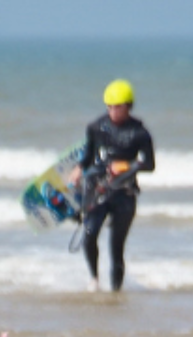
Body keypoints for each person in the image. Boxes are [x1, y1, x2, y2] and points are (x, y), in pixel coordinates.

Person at [76, 79, 155, 292]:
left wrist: (126, 165)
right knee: (89, 235)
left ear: (128, 106)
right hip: (98, 190)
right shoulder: (96, 127)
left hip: (124, 194)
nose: (113, 111)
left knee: (116, 246)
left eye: (118, 107)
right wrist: (79, 170)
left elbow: (149, 164)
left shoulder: (140, 132)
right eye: (109, 107)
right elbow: (88, 157)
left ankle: (116, 291)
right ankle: (94, 279)